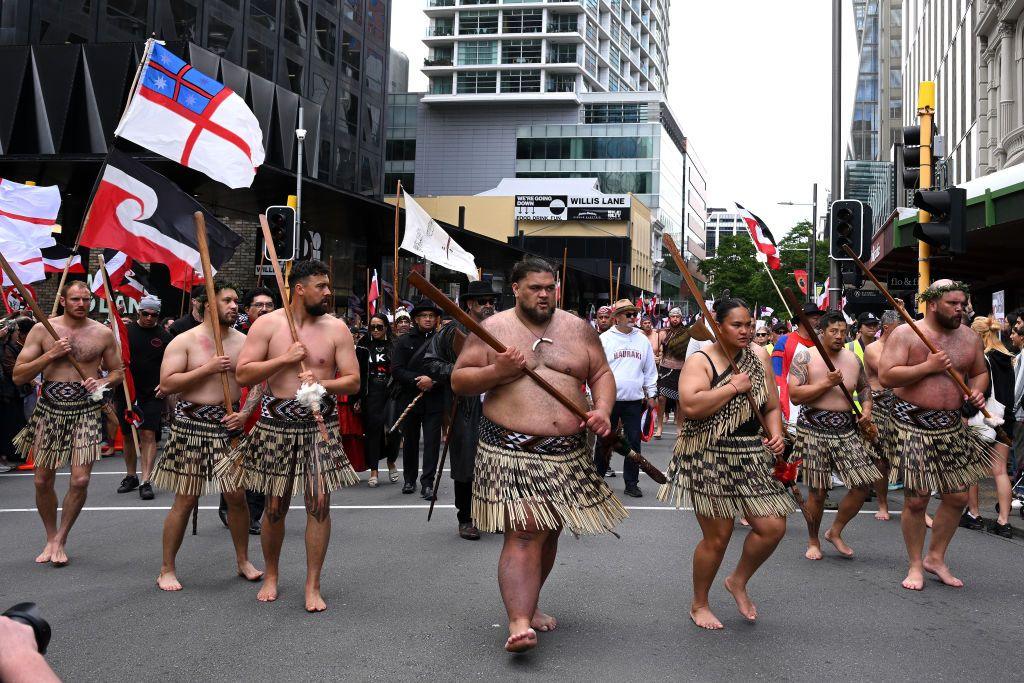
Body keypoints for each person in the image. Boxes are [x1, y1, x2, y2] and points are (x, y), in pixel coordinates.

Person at [451, 258, 626, 653]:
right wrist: (496, 371)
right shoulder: (493, 329)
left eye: (550, 287)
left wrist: (602, 409)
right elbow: (459, 381)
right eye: (535, 287)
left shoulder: (577, 329)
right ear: (515, 288)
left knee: (550, 532)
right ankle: (518, 621)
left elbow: (600, 374)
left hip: (567, 452)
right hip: (511, 449)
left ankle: (529, 604)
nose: (544, 294)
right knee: (526, 530)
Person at [221, 259, 360, 612]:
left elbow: (353, 380)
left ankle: (313, 584)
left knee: (319, 504)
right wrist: (285, 359)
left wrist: (321, 382)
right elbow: (244, 373)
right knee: (274, 506)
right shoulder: (268, 325)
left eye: (328, 286)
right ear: (299, 289)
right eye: (321, 286)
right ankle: (271, 574)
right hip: (276, 426)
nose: (328, 293)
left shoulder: (336, 328)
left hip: (318, 425)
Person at [658, 298, 793, 630]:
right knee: (718, 536)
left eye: (749, 324)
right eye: (737, 325)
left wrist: (775, 434)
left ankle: (737, 580)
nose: (746, 331)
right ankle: (699, 603)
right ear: (717, 326)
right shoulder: (700, 360)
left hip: (750, 454)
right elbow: (691, 405)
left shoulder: (759, 356)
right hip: (708, 454)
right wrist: (733, 386)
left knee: (773, 527)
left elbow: (772, 406)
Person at [879, 279, 991, 590]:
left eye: (962, 303)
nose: (960, 309)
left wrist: (978, 393)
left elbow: (979, 372)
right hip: (910, 423)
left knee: (957, 496)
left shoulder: (969, 338)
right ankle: (915, 563)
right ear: (932, 304)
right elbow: (887, 375)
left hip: (952, 425)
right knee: (917, 500)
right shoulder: (907, 333)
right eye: (952, 304)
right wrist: (926, 366)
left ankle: (936, 557)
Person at [152, 281, 264, 590]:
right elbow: (168, 383)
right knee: (186, 498)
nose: (234, 305)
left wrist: (243, 414)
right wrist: (208, 368)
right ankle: (166, 568)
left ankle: (242, 560)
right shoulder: (184, 341)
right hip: (191, 425)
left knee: (237, 497)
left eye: (236, 300)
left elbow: (258, 383)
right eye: (227, 300)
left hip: (228, 426)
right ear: (208, 305)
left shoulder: (244, 342)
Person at [12, 282, 123, 566]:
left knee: (81, 479)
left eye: (86, 299)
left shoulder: (102, 333)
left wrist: (102, 380)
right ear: (63, 300)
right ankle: (50, 536)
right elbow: (18, 376)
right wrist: (50, 354)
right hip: (49, 409)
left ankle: (61, 538)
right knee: (41, 479)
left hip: (85, 410)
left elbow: (117, 371)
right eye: (75, 299)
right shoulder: (42, 329)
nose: (81, 304)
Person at [788, 312, 881, 560]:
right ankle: (813, 539)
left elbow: (864, 387)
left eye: (843, 332)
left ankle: (835, 531)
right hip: (813, 428)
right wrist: (825, 384)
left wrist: (868, 410)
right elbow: (795, 395)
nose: (840, 336)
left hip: (846, 429)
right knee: (817, 492)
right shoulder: (805, 356)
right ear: (822, 332)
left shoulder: (852, 359)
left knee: (862, 485)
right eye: (834, 331)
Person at [424, 280, 497, 539]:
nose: (488, 306)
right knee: (466, 461)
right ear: (469, 304)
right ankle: (465, 517)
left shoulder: (502, 328)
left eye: (491, 301)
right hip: (464, 405)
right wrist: (460, 374)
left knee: (494, 461)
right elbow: (431, 363)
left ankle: (490, 513)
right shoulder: (451, 331)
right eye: (482, 301)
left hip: (497, 404)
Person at [599, 299, 658, 498]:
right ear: (617, 318)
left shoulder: (642, 340)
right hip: (609, 399)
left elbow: (650, 370)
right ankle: (597, 479)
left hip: (634, 400)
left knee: (634, 442)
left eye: (634, 314)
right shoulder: (605, 339)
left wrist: (651, 394)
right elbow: (597, 370)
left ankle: (631, 482)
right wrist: (595, 395)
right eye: (629, 314)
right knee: (604, 440)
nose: (633, 317)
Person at [115, 295, 171, 500]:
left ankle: (146, 480)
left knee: (148, 435)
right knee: (129, 435)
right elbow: (109, 360)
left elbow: (171, 364)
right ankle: (131, 476)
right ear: (139, 312)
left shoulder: (164, 337)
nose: (149, 317)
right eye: (145, 313)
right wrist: (115, 366)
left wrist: (166, 386)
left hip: (152, 394)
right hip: (127, 392)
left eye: (154, 314)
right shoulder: (126, 333)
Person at [963, 316, 1014, 538]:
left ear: (978, 335)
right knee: (1001, 471)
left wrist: (965, 413)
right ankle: (1004, 521)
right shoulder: (1008, 357)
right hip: (1006, 419)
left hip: (982, 418)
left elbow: (980, 394)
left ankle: (974, 514)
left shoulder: (983, 359)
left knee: (972, 468)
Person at [391, 298, 445, 498]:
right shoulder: (404, 341)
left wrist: (433, 381)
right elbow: (396, 370)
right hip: (410, 397)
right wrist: (417, 380)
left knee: (432, 443)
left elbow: (450, 369)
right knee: (411, 441)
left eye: (431, 316)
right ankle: (409, 480)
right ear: (416, 319)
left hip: (434, 399)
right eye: (424, 316)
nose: (428, 319)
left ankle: (428, 483)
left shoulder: (442, 340)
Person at [862, 309, 904, 520]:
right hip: (878, 404)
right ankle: (883, 504)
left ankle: (917, 509)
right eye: (900, 327)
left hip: (900, 404)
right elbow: (886, 373)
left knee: (908, 457)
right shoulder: (872, 348)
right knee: (880, 458)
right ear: (887, 328)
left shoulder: (904, 347)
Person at [357, 314, 399, 486]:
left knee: (394, 431)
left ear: (386, 327)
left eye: (379, 327)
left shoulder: (395, 344)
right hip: (371, 393)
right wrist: (357, 397)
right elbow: (358, 372)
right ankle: (374, 470)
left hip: (392, 392)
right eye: (372, 327)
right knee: (372, 431)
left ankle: (391, 461)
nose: (375, 330)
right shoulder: (363, 344)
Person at [0, 317, 33, 471]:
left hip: (17, 392)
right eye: (16, 331)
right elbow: (11, 369)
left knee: (18, 423)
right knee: (10, 425)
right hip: (8, 392)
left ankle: (17, 454)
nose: (17, 333)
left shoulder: (18, 347)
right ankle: (8, 455)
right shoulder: (7, 348)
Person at [655, 307, 689, 439]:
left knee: (680, 401)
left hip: (681, 368)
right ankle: (659, 427)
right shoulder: (663, 333)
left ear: (681, 318)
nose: (675, 319)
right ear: (669, 318)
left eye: (677, 317)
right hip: (665, 368)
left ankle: (679, 428)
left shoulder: (686, 333)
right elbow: (658, 350)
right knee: (662, 398)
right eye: (673, 316)